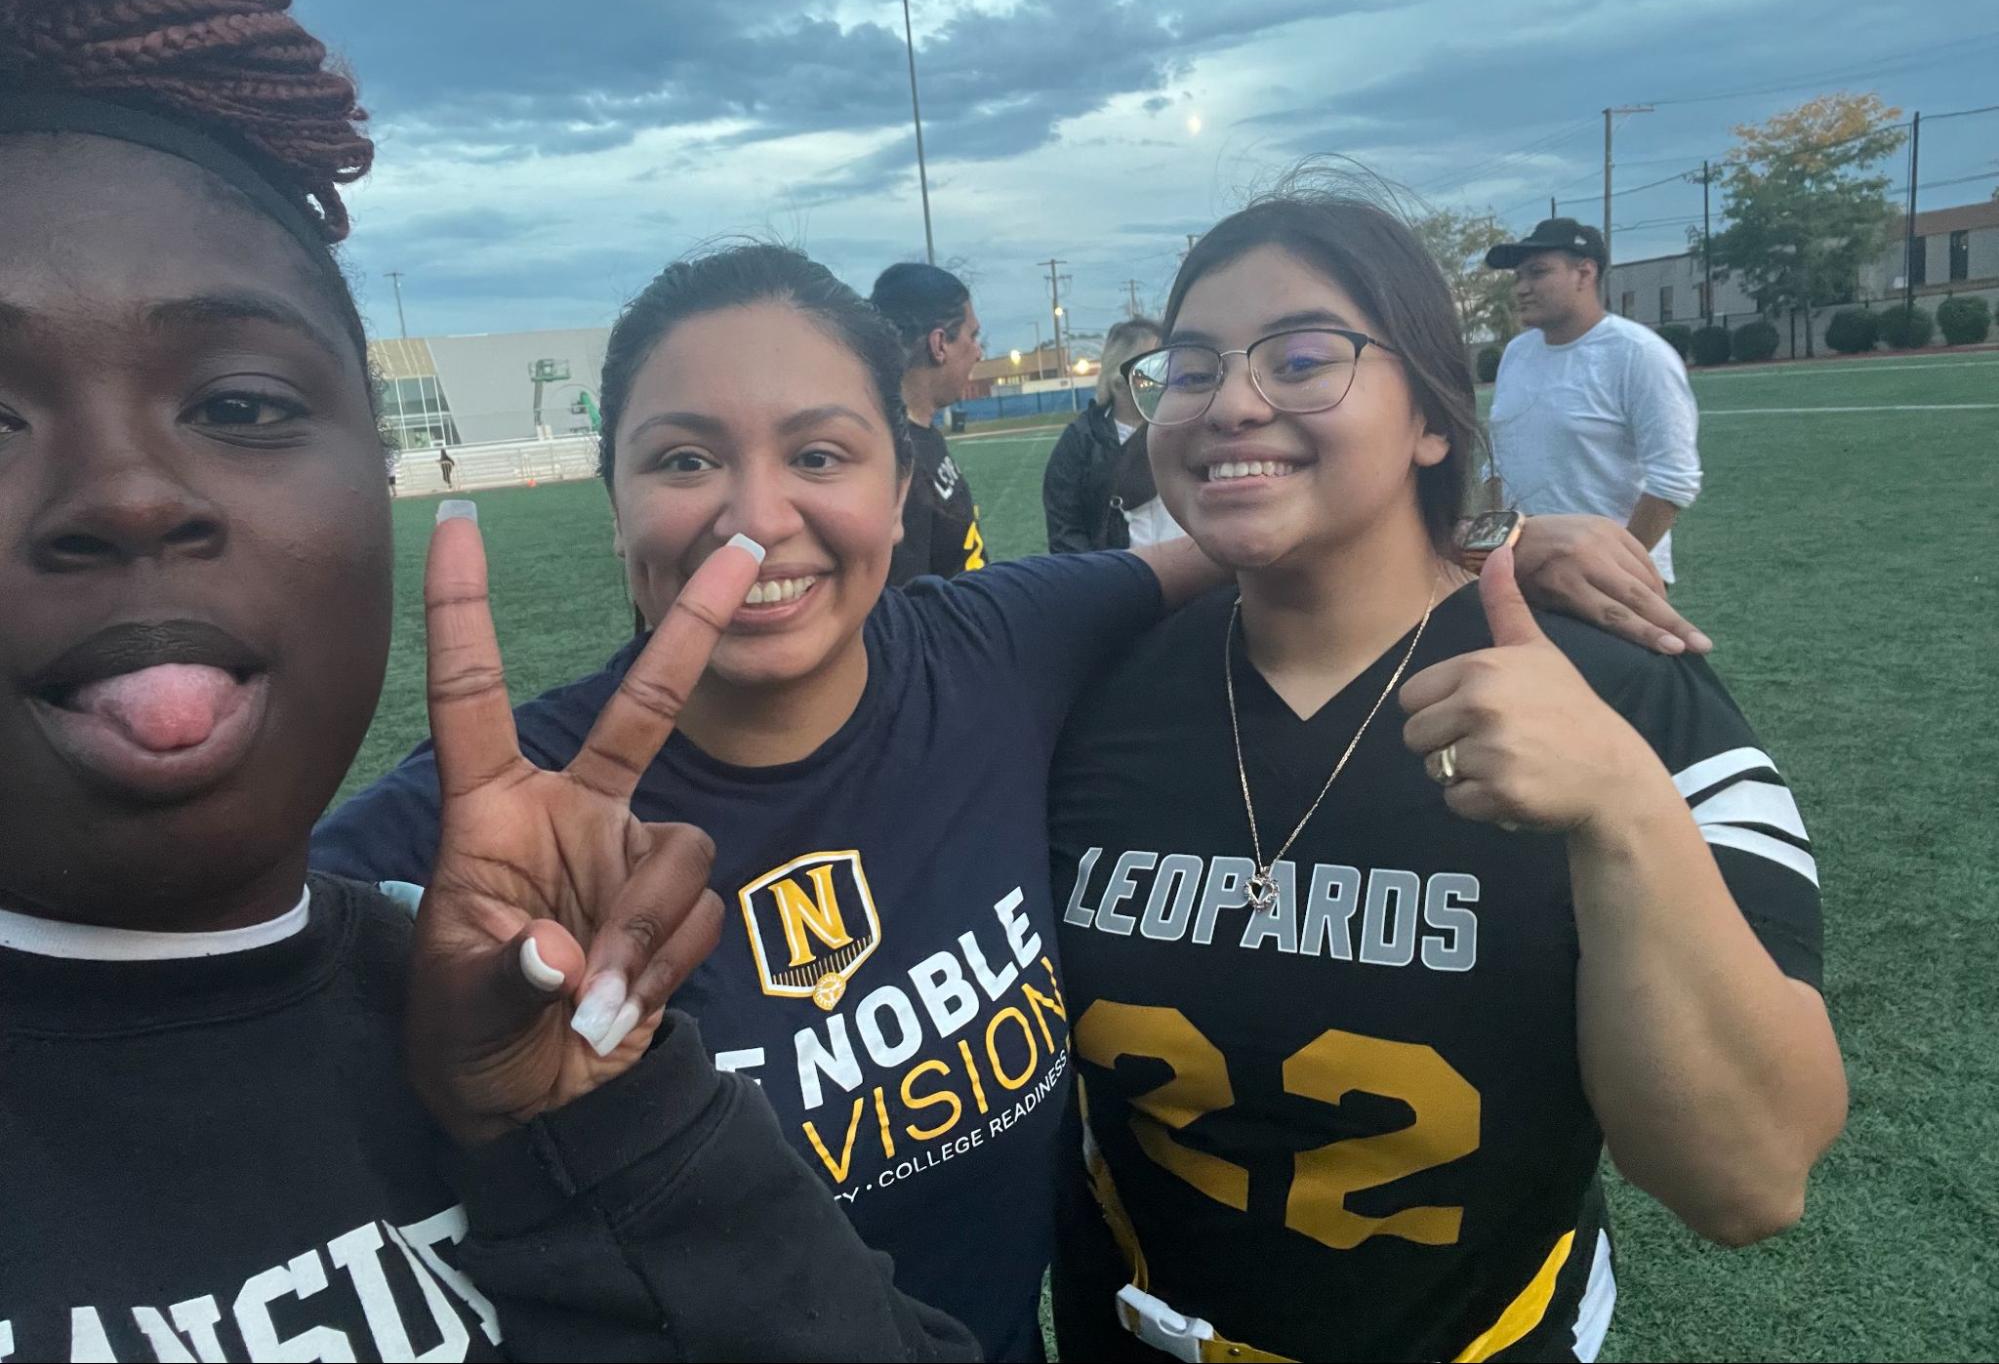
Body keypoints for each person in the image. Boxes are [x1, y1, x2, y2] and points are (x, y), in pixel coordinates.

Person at [312, 241, 1692, 1360]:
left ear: (903, 482)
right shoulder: (502, 823)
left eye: (819, 454)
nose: (753, 516)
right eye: (680, 461)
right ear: (610, 500)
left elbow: (1249, 539)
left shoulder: (1000, 646)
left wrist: (1494, 539)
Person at [0, 0, 977, 1358]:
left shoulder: (487, 987)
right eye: (683, 457)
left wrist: (615, 1121)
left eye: (241, 401)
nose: (128, 495)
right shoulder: (416, 838)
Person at [1048, 189, 1845, 1363]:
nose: (1231, 403)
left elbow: (1750, 1183)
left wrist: (1623, 808)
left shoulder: (1626, 690)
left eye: (1304, 357)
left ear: (1431, 415)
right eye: (1189, 367)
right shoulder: (1083, 688)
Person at [1484, 218, 1702, 582]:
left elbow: (1673, 481)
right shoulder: (1517, 354)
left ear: (1584, 273)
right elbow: (1497, 461)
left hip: (1611, 579)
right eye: (1517, 277)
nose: (1521, 288)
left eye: (1537, 273)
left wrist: (1612, 568)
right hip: (1522, 570)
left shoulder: (1639, 354)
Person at [869, 262, 986, 583]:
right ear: (939, 344)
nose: (978, 352)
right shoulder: (893, 458)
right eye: (972, 335)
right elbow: (908, 605)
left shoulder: (921, 433)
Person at [1041, 318, 1183, 553]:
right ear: (1119, 379)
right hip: (1121, 580)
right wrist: (1104, 578)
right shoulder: (1080, 440)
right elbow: (1065, 530)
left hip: (1193, 578)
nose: (1165, 374)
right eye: (1152, 365)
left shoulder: (1186, 427)